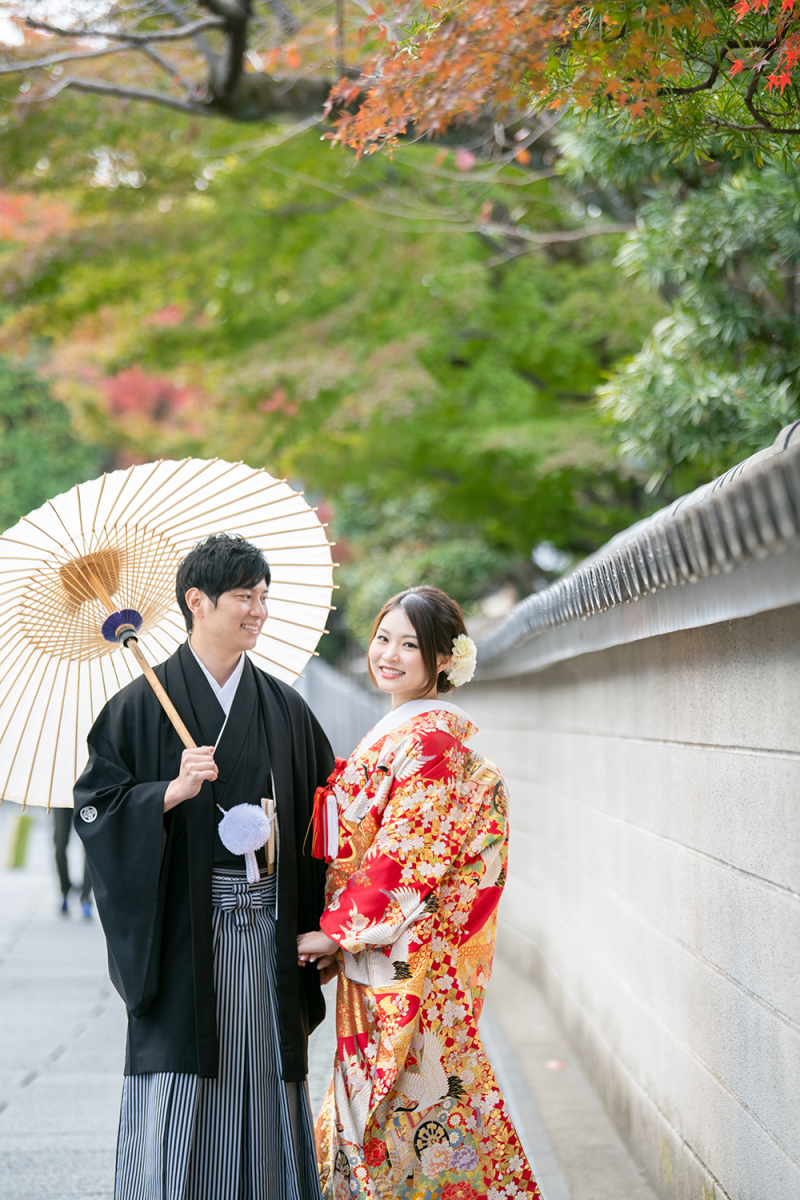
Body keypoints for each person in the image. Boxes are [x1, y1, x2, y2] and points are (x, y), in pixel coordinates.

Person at [74, 533, 334, 1200]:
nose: (259, 611)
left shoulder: (284, 708)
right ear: (198, 601)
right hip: (185, 936)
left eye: (264, 597)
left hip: (270, 928)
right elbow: (96, 809)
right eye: (245, 597)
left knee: (265, 1071)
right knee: (185, 1084)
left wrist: (329, 925)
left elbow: (329, 821)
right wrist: (167, 793)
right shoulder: (137, 707)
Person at [297, 586, 541, 1199]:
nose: (389, 654)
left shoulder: (430, 741)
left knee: (404, 1103)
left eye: (409, 645)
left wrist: (336, 930)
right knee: (399, 1105)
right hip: (381, 950)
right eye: (383, 638)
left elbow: (407, 852)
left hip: (407, 959)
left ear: (443, 659)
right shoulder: (403, 731)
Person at [53, 806, 92, 918]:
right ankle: (65, 890)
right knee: (60, 844)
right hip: (61, 799)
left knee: (89, 846)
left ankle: (86, 896)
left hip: (86, 797)